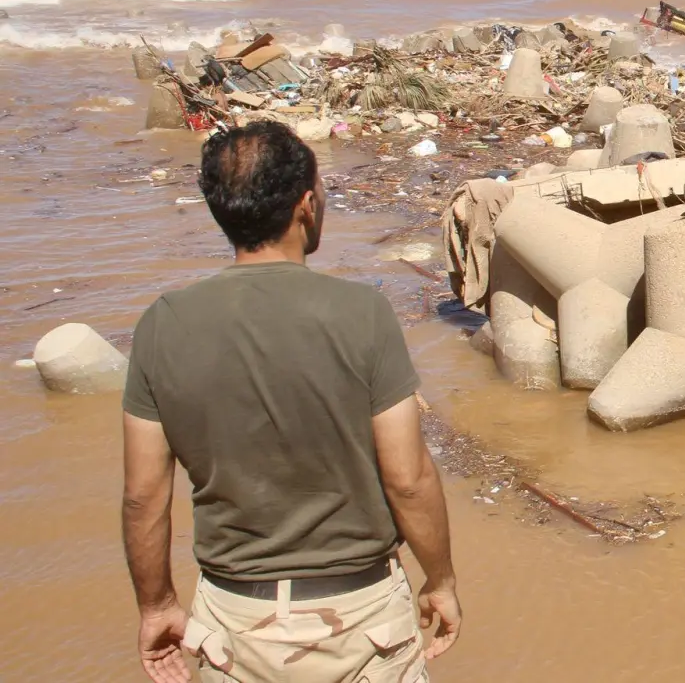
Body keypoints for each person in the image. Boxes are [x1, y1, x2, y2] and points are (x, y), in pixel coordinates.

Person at [122, 121, 461, 683]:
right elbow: (407, 478)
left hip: (233, 621)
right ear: (306, 206)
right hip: (361, 619)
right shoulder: (362, 313)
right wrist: (440, 579)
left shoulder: (162, 324)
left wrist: (156, 604)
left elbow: (143, 497)